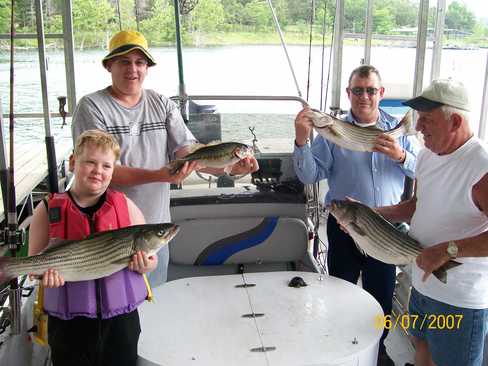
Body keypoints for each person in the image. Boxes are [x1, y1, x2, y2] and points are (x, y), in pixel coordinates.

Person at [71, 30, 259, 287]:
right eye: (124, 62)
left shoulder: (162, 104)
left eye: (140, 62)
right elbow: (100, 171)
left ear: (147, 68)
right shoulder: (92, 106)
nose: (133, 69)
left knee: (154, 304)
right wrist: (159, 175)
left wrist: (229, 167)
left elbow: (188, 154)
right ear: (109, 66)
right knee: (115, 313)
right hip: (108, 239)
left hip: (154, 232)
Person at [293, 64, 419, 366]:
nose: (364, 96)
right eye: (358, 90)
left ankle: (380, 348)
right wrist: (301, 140)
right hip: (343, 225)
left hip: (384, 229)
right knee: (341, 289)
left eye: (371, 90)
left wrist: (400, 155)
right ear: (349, 93)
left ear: (381, 93)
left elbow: (421, 168)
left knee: (382, 294)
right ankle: (342, 346)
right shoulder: (333, 132)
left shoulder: (397, 131)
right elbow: (309, 175)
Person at [376, 79, 488, 366]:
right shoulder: (426, 155)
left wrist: (445, 251)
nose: (418, 127)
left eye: (427, 120)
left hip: (459, 301)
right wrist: (373, 213)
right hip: (422, 288)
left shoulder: (481, 167)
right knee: (421, 349)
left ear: (455, 122)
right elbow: (417, 205)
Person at [28, 129, 153, 366]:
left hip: (120, 322)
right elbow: (35, 265)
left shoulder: (124, 204)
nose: (98, 171)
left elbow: (150, 260)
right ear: (74, 162)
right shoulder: (47, 208)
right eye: (90, 163)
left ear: (113, 170)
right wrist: (44, 277)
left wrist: (146, 265)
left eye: (107, 166)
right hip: (68, 325)